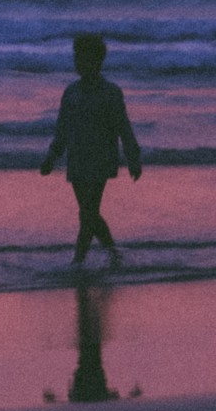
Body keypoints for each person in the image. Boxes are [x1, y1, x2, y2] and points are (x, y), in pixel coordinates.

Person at [39, 32, 142, 269]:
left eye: (83, 58)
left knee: (88, 211)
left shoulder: (111, 93)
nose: (78, 62)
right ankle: (113, 253)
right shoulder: (71, 92)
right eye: (76, 57)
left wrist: (133, 158)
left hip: (101, 158)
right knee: (88, 212)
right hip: (77, 158)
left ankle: (78, 260)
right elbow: (62, 128)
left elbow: (123, 127)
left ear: (97, 61)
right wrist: (52, 157)